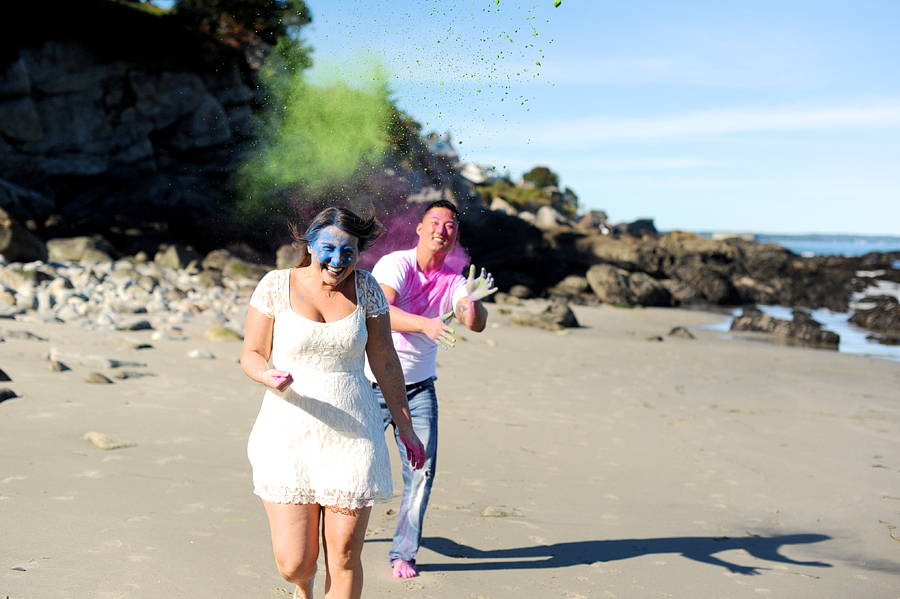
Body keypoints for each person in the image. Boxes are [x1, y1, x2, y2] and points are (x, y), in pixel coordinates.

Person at [240, 206, 426, 599]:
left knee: (342, 554)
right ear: (309, 244)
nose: (338, 261)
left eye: (349, 253)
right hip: (288, 432)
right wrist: (265, 374)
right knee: (296, 563)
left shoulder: (367, 288)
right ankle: (303, 587)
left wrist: (405, 427)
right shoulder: (276, 285)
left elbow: (386, 360)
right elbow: (253, 352)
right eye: (329, 249)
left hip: (354, 433)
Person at [364, 199, 497, 578]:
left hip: (419, 391)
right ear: (420, 229)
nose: (442, 228)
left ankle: (403, 553)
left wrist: (471, 302)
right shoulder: (396, 264)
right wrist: (426, 325)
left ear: (455, 234)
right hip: (373, 383)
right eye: (435, 221)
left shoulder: (454, 279)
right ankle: (342, 538)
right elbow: (382, 312)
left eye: (450, 224)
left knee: (420, 473)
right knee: (357, 467)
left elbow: (475, 323)